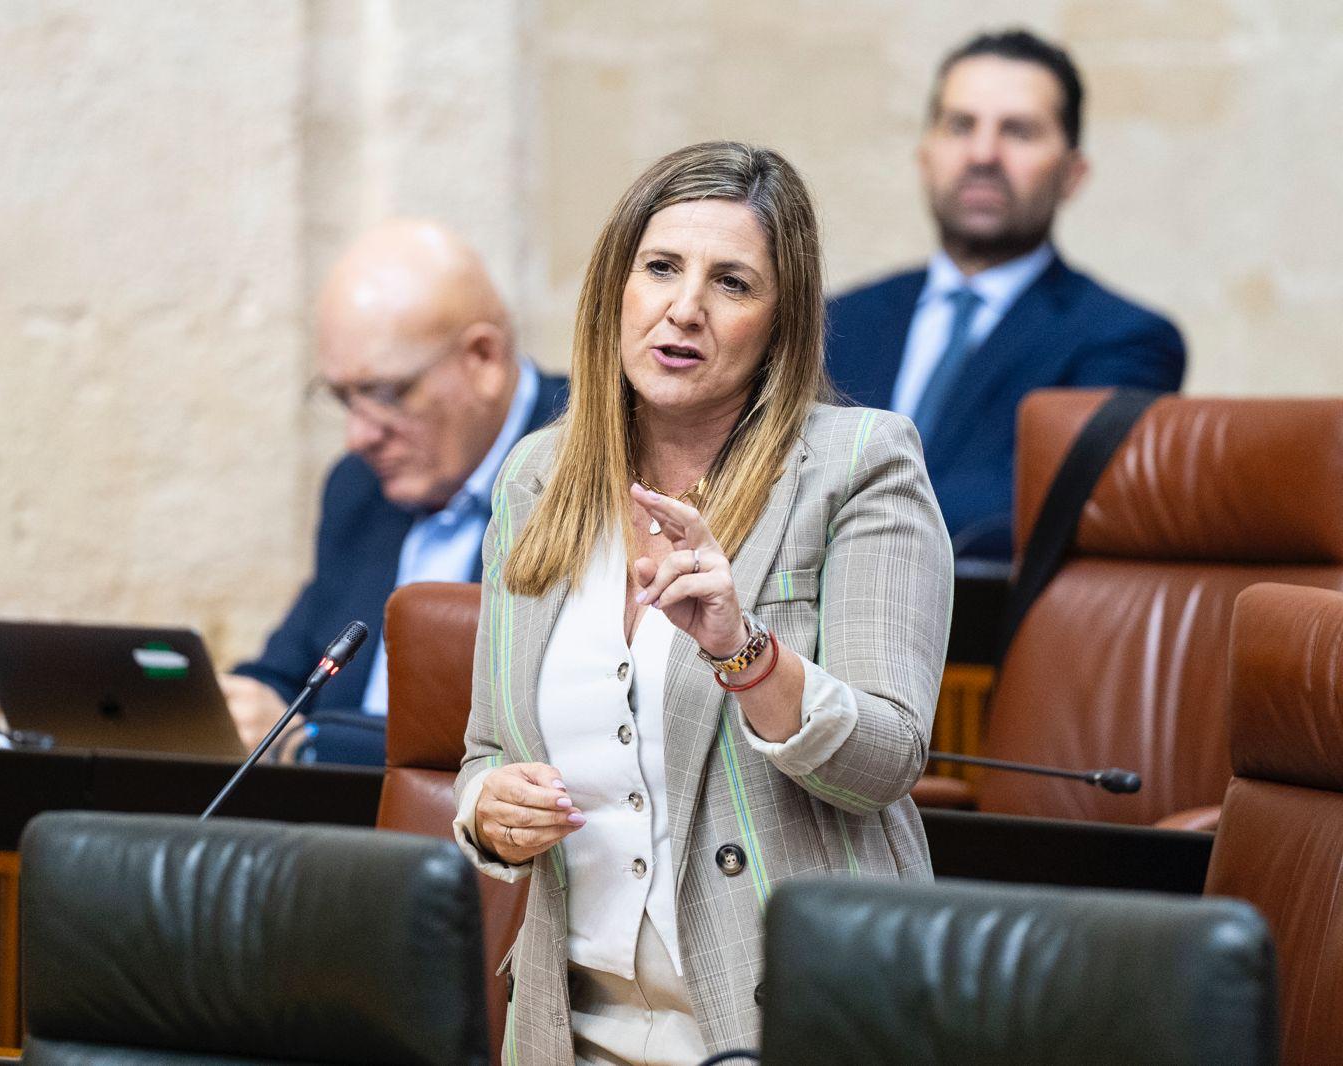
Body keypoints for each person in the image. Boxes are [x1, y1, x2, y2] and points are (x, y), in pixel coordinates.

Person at [452, 142, 952, 1063]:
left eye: (732, 283)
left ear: (781, 322)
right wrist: (487, 810)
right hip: (572, 1030)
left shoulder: (858, 466)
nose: (685, 308)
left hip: (788, 1021)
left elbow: (886, 760)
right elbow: (488, 749)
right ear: (617, 288)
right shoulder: (536, 479)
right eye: (662, 268)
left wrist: (744, 650)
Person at [825, 28, 1186, 560]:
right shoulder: (836, 323)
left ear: (1072, 173)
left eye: (1018, 131)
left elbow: (1046, 512)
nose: (983, 153)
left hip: (986, 635)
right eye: (960, 125)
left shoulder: (1124, 342)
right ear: (925, 154)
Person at [222, 220, 568, 764]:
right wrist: (226, 707)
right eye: (343, 397)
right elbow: (287, 680)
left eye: (387, 393)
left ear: (482, 359)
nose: (359, 436)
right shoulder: (359, 487)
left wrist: (308, 744)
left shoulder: (588, 466)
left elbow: (529, 735)